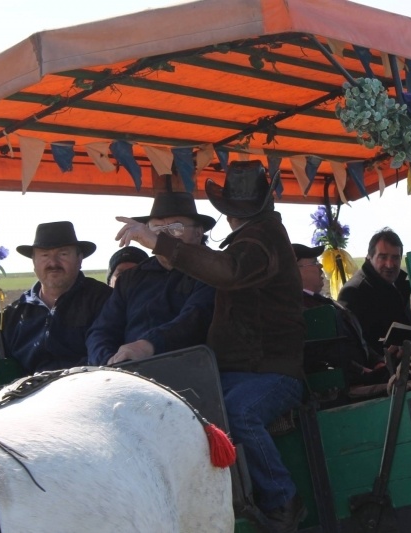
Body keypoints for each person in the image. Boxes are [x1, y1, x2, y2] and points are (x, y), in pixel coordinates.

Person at [115, 161, 307, 532]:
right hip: (240, 370)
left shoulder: (262, 237)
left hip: (273, 371)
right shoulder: (251, 237)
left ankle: (285, 501)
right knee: (193, 412)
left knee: (238, 413)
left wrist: (157, 241)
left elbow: (228, 272)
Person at [87, 192, 216, 366]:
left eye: (175, 228)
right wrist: (108, 360)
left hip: (191, 371)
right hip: (127, 372)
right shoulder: (132, 278)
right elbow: (102, 330)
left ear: (198, 232)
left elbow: (195, 320)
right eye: (157, 230)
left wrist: (148, 346)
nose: (163, 237)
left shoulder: (213, 270)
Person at [0, 221, 112, 376]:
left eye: (63, 254)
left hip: (89, 391)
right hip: (31, 396)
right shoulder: (13, 315)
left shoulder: (104, 300)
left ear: (79, 259)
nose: (53, 263)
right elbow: (2, 378)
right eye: (44, 255)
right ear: (34, 262)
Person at [293, 243, 385, 386]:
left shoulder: (322, 302)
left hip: (363, 376)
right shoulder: (301, 309)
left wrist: (378, 361)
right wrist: (361, 370)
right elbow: (322, 353)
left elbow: (356, 340)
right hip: (346, 385)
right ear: (295, 271)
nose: (320, 267)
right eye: (314, 262)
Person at [337, 229, 411, 355]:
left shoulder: (401, 284)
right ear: (370, 256)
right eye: (383, 257)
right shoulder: (354, 292)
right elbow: (354, 342)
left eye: (395, 258)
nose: (390, 264)